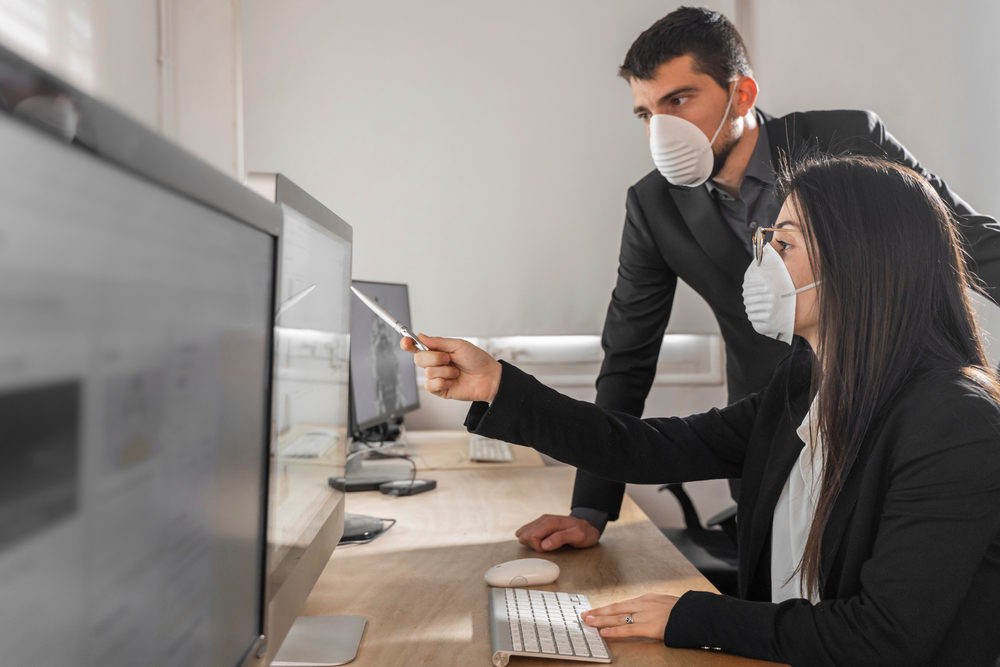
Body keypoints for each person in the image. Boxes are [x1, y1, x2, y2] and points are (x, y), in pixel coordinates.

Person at [403, 155, 1000, 666]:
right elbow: (653, 448)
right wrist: (497, 387)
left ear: (861, 262)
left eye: (784, 242)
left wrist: (696, 618)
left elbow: (884, 638)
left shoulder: (955, 423)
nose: (762, 256)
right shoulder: (807, 381)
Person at [515, 6, 1000, 555]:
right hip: (765, 430)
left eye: (678, 101)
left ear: (741, 94)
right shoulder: (653, 206)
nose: (661, 128)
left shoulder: (846, 138)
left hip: (887, 420)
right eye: (646, 113)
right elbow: (628, 354)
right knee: (768, 609)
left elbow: (967, 242)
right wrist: (591, 509)